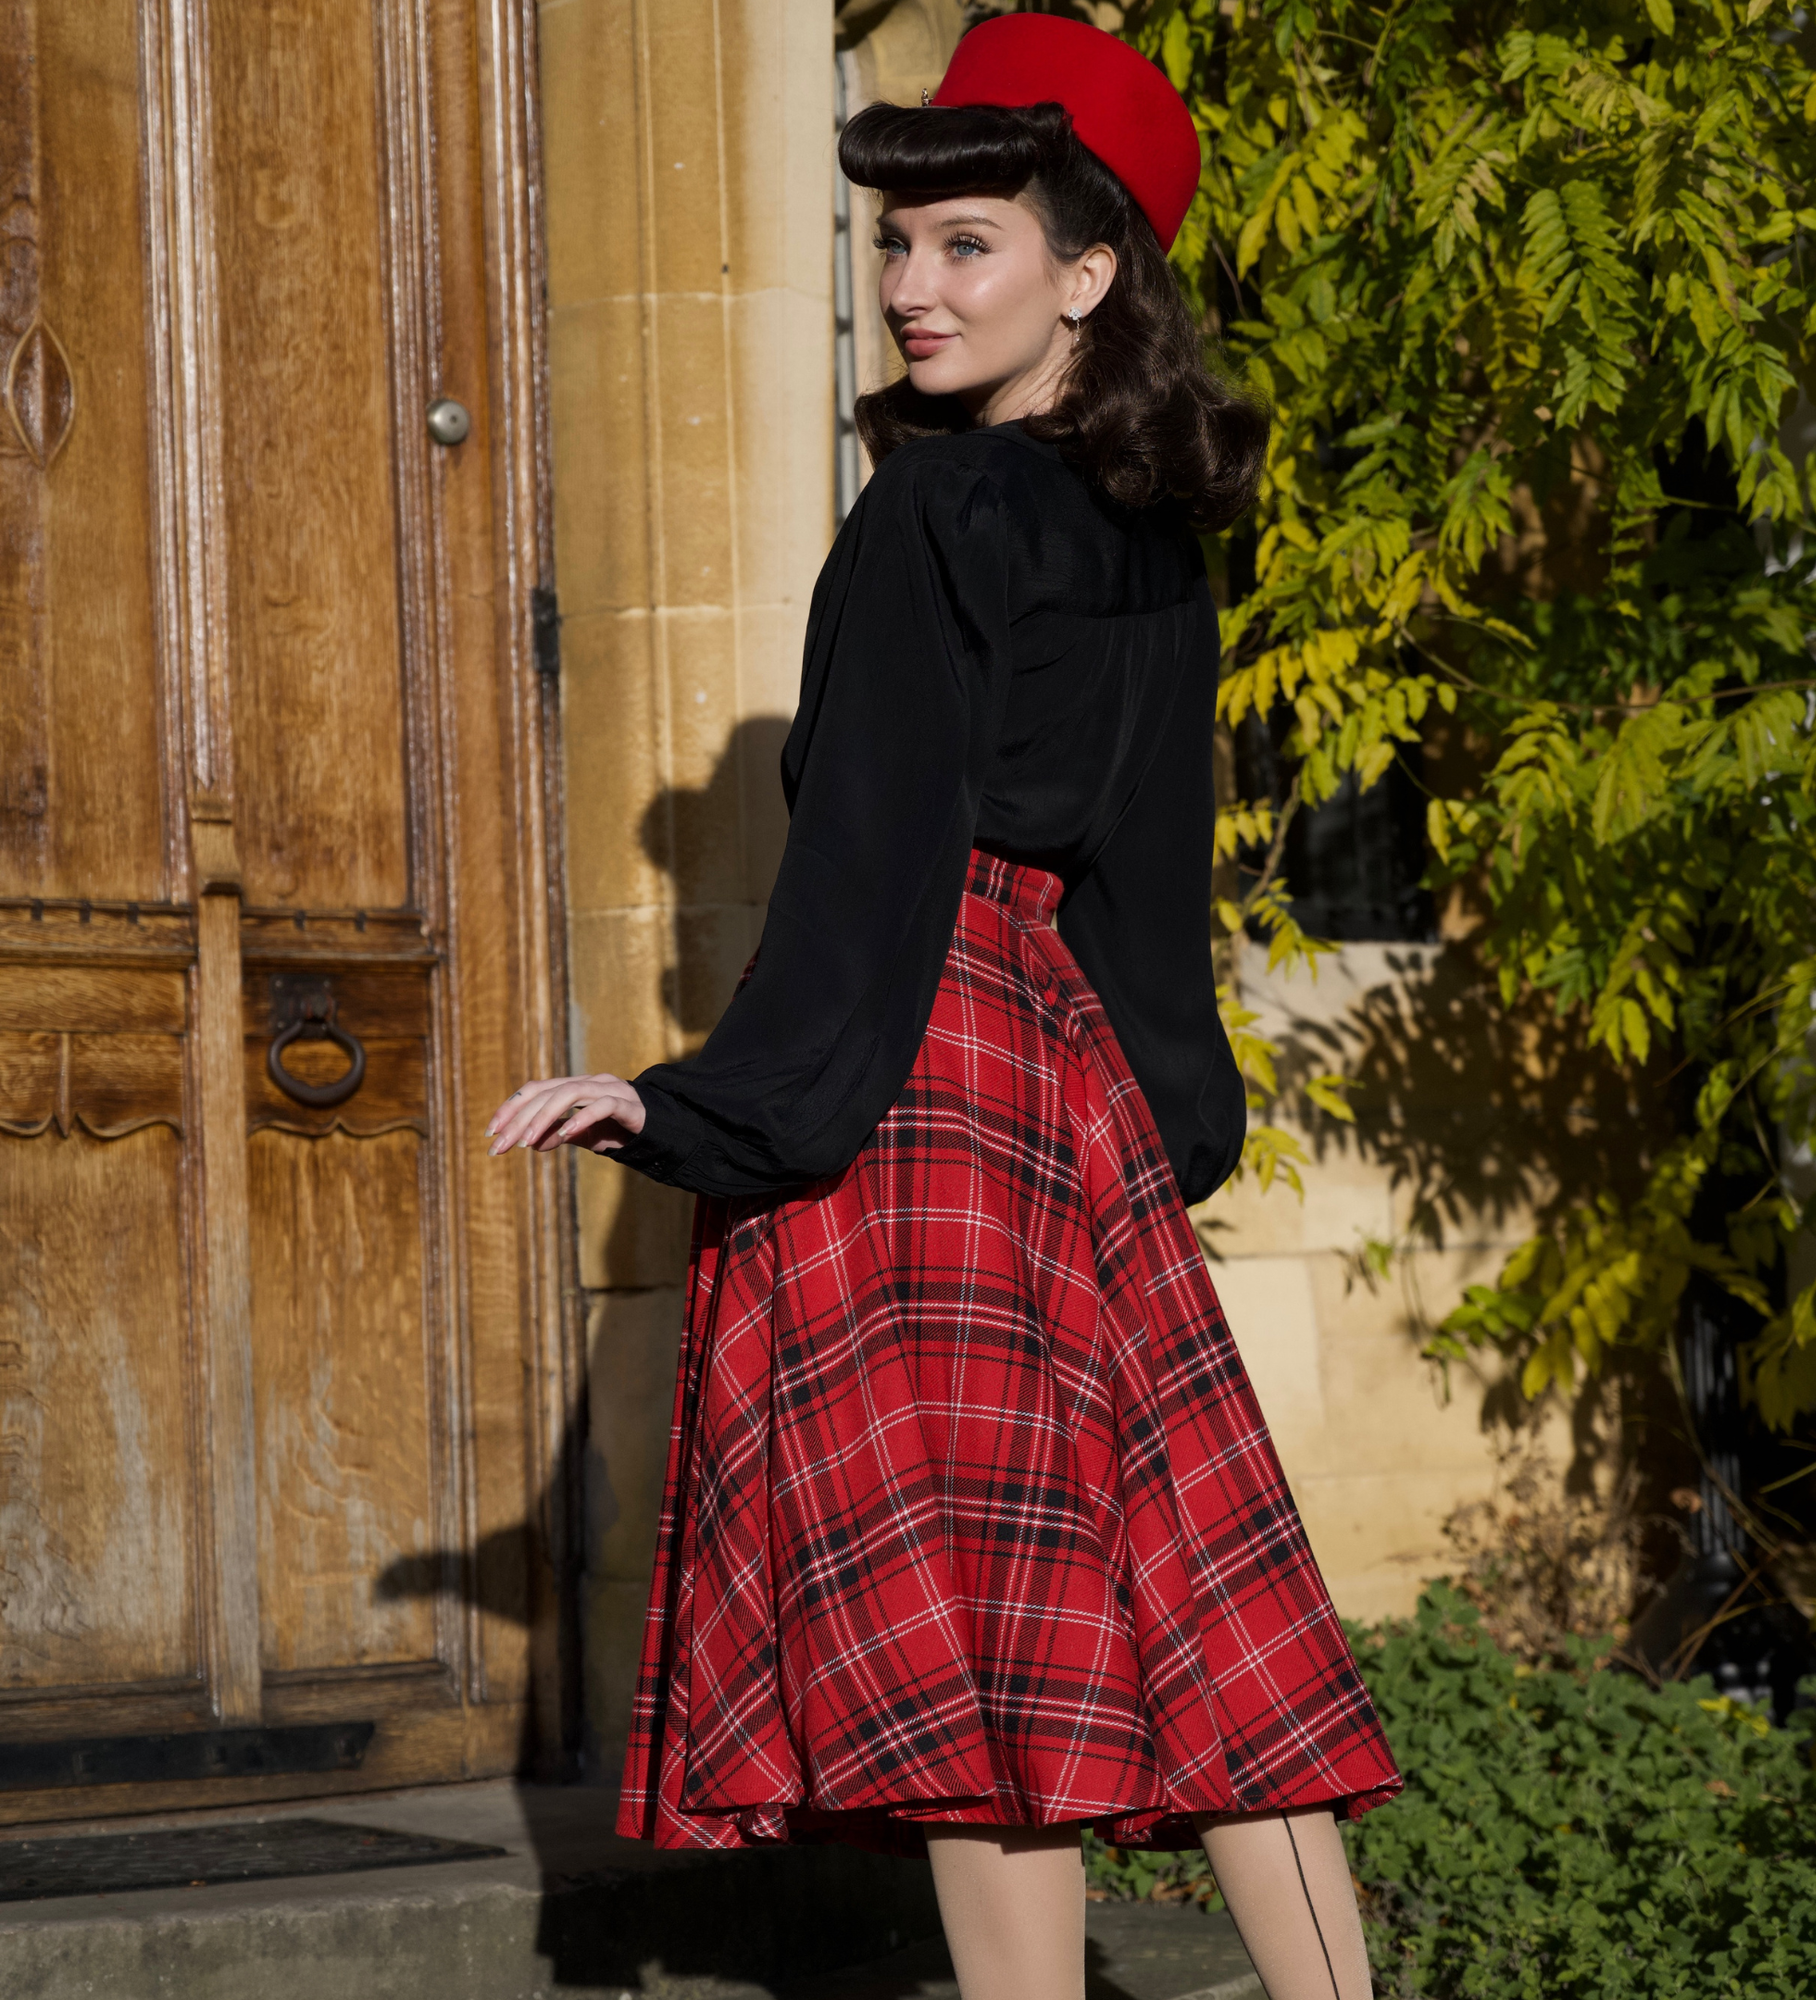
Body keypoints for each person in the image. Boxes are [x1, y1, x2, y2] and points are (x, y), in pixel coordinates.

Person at [487, 15, 1400, 1997]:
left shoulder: (933, 509)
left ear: (1087, 272)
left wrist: (696, 1105)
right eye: (896, 244)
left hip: (918, 1077)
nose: (911, 284)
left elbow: (869, 863)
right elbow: (1150, 884)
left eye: (965, 243)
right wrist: (1161, 1123)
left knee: (983, 1626)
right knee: (1197, 1599)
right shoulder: (1159, 538)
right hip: (1075, 1085)